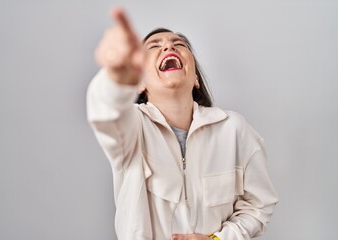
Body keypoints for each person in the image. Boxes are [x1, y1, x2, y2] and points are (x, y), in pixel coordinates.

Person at [87, 7, 279, 240]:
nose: (168, 47)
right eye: (154, 46)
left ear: (196, 78)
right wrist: (116, 78)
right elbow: (106, 114)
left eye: (179, 44)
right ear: (140, 83)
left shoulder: (234, 129)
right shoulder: (132, 128)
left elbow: (259, 206)